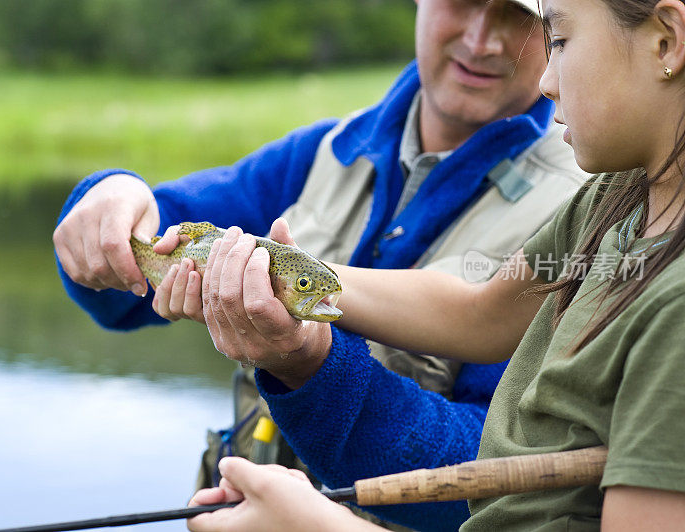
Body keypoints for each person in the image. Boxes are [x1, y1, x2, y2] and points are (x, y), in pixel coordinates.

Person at [53, 0, 586, 529]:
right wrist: (110, 198)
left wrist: (309, 365)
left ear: (556, 25)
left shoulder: (585, 215)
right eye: (462, 2)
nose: (480, 39)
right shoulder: (325, 149)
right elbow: (136, 272)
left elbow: (498, 476)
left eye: (515, 16)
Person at [184, 0, 685, 529]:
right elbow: (479, 314)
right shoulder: (616, 198)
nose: (546, 81)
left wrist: (322, 525)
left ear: (666, 41)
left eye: (558, 40)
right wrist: (284, 280)